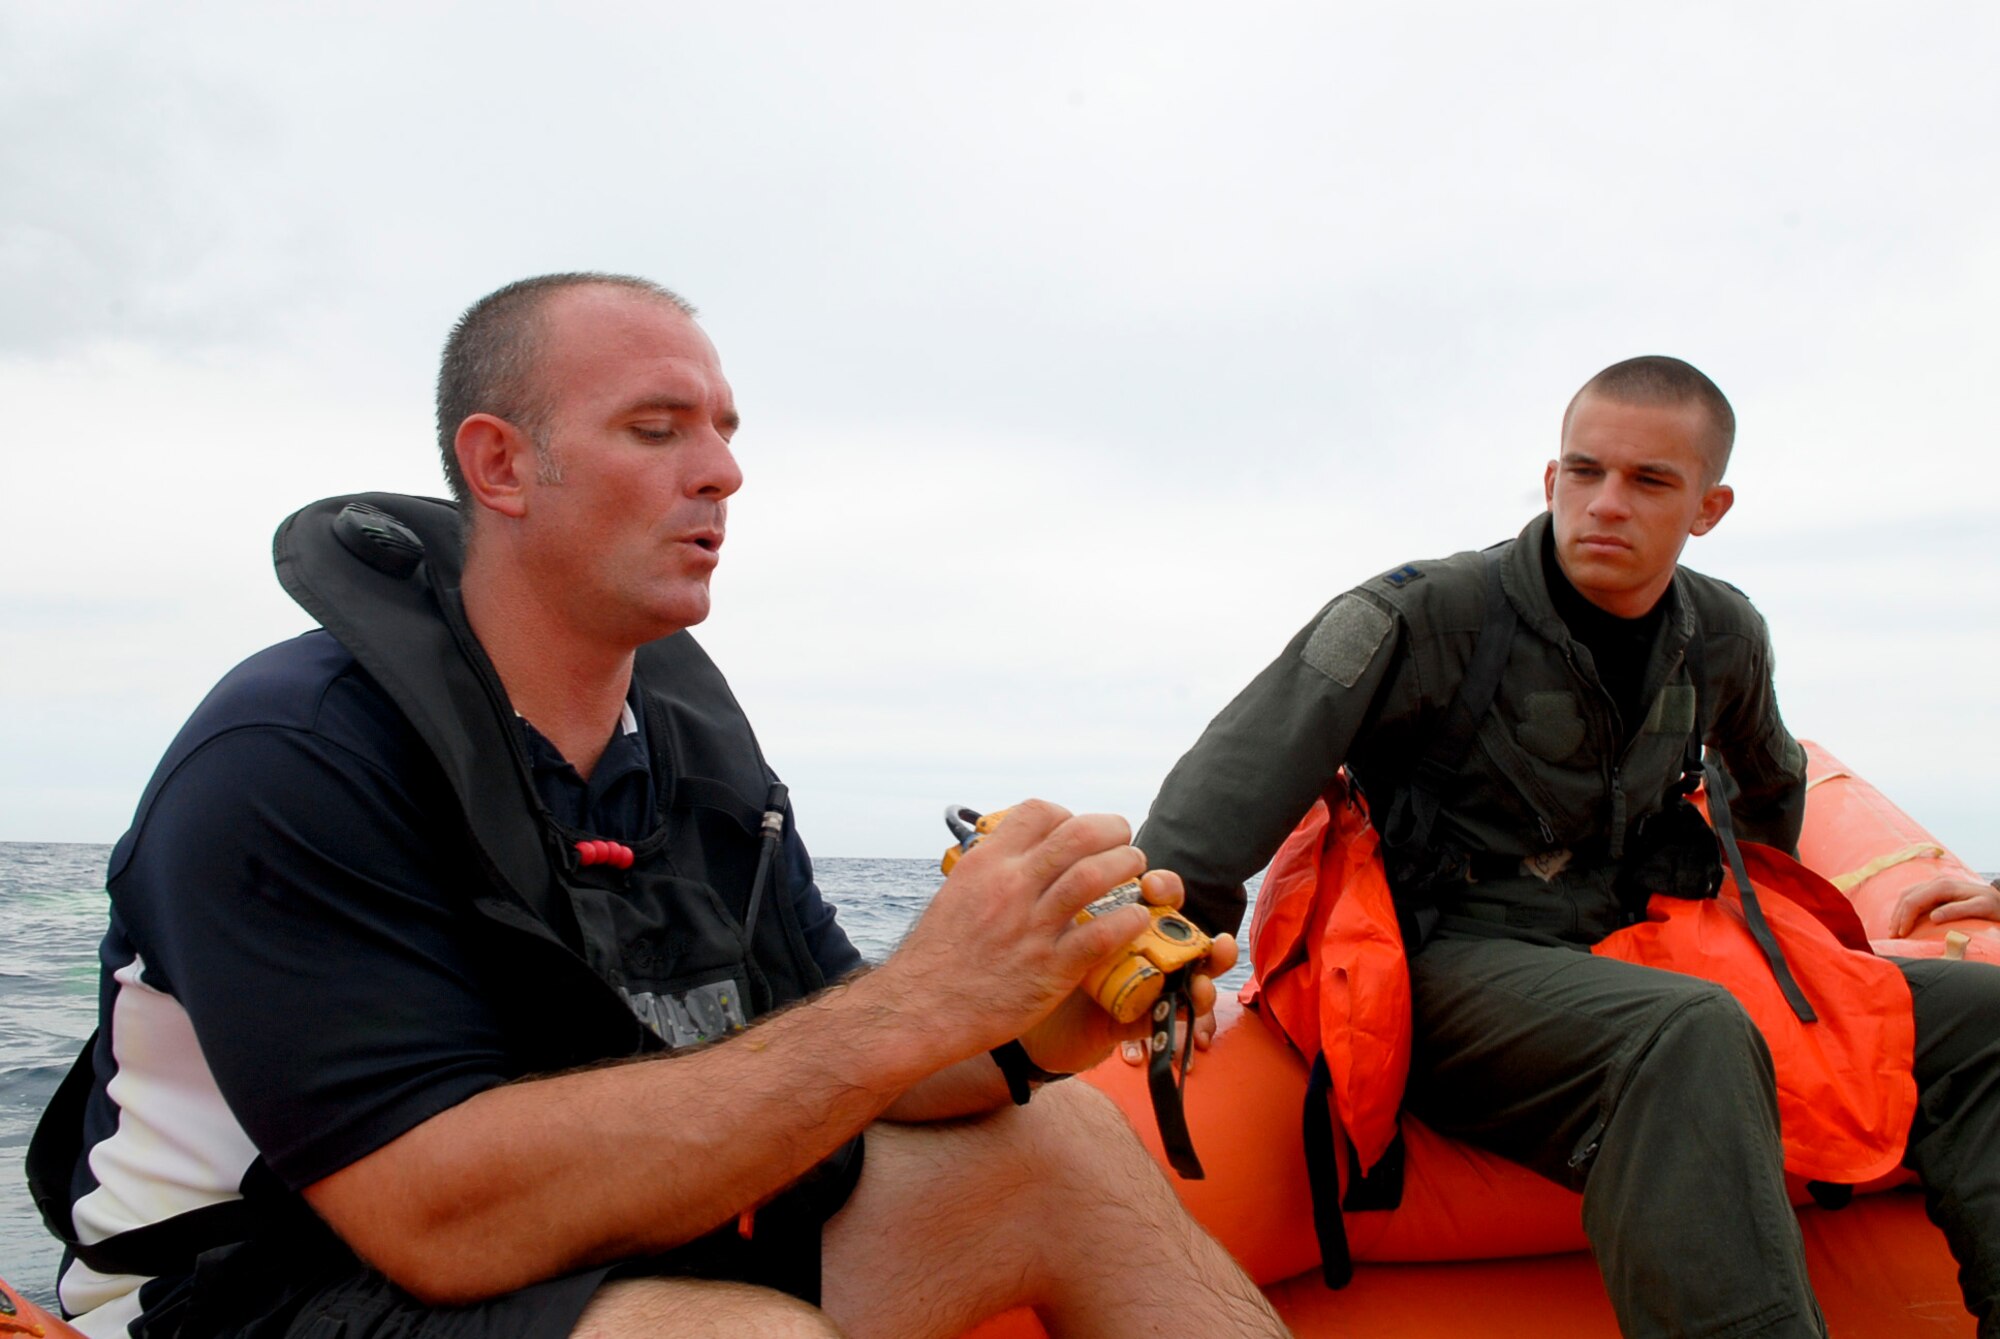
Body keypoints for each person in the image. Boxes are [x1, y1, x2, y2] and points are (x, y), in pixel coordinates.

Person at [31, 273, 1287, 1339]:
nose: (723, 472)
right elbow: (433, 1221)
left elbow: (846, 1055)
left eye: (726, 430)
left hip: (584, 1233)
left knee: (1063, 1144)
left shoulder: (702, 768)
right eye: (657, 427)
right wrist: (919, 997)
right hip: (250, 1285)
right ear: (503, 463)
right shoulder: (292, 755)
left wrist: (1027, 1019)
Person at [1135, 356, 2000, 1338]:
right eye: (1581, 472)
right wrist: (1163, 945)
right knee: (1688, 1030)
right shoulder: (1418, 615)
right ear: (1549, 481)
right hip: (1451, 969)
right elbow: (1224, 791)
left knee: (1981, 1015)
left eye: (1646, 482)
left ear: (1706, 507)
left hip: (1636, 945)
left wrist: (1793, 960)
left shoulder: (1718, 632)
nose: (1603, 504)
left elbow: (1768, 787)